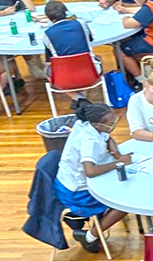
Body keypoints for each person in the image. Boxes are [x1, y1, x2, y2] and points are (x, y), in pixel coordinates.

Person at [54, 98, 132, 252]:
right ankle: (89, 237)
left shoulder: (85, 123)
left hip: (67, 180)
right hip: (77, 192)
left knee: (121, 186)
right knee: (125, 202)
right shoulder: (89, 140)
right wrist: (119, 162)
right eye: (111, 123)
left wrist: (115, 152)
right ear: (97, 124)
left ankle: (95, 230)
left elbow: (107, 137)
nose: (114, 124)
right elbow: (90, 171)